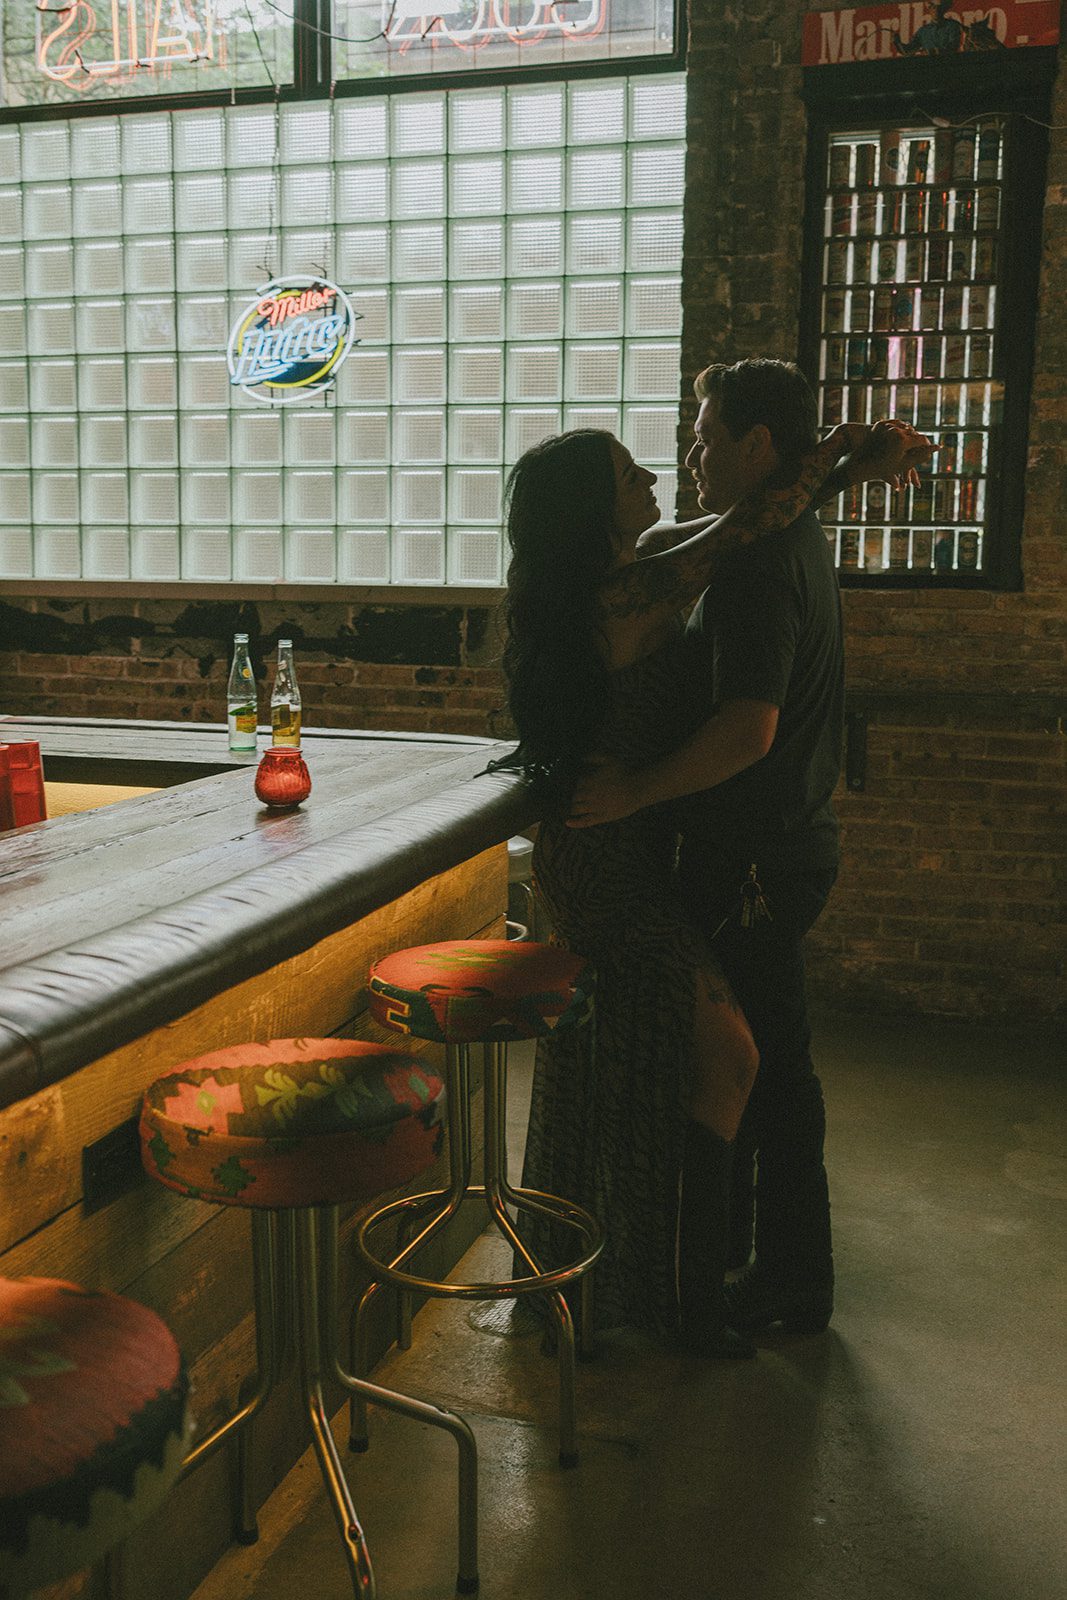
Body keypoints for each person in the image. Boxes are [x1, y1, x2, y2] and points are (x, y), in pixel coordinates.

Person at [500, 406, 928, 1355]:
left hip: (629, 847)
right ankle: (683, 1308)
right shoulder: (621, 600)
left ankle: (653, 1293)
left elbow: (718, 531)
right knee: (729, 1055)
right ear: (595, 515)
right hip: (602, 860)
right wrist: (839, 453)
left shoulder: (620, 580)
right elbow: (736, 531)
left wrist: (843, 475)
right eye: (628, 476)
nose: (653, 479)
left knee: (649, 1068)